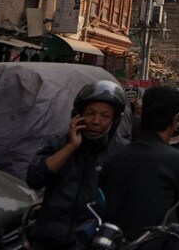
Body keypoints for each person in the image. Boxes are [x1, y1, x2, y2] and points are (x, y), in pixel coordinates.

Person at [100, 85, 179, 250]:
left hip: (113, 240)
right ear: (174, 119)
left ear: (142, 114)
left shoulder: (114, 156)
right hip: (157, 243)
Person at [26, 80, 128, 249]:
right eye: (90, 113)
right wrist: (70, 147)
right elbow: (35, 179)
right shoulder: (59, 143)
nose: (96, 121)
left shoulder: (121, 153)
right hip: (48, 238)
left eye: (104, 116)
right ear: (78, 114)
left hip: (90, 242)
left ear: (114, 120)